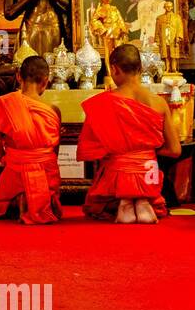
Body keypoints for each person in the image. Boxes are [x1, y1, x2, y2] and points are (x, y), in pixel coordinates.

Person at [77, 43, 181, 223]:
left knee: (101, 198)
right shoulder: (159, 103)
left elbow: (90, 150)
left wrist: (123, 155)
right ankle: (142, 200)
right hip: (149, 174)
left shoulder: (102, 103)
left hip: (117, 177)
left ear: (115, 69)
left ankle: (124, 202)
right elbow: (175, 150)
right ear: (140, 69)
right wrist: (144, 154)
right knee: (143, 168)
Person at [0, 55, 63, 224]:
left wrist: (13, 160)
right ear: (45, 81)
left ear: (18, 76)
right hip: (47, 173)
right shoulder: (53, 111)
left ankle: (18, 201)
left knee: (11, 183)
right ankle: (38, 201)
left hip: (15, 172)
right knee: (45, 177)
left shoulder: (2, 105)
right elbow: (55, 151)